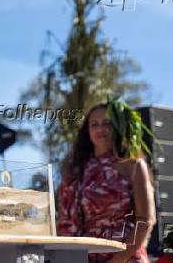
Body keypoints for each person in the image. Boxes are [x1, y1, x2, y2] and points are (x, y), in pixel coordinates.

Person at [58, 101, 156, 263]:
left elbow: (145, 220)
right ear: (87, 131)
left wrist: (119, 258)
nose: (100, 129)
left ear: (117, 128)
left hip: (127, 257)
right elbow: (67, 223)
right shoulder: (76, 174)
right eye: (94, 125)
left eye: (106, 123)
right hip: (87, 257)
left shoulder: (134, 167)